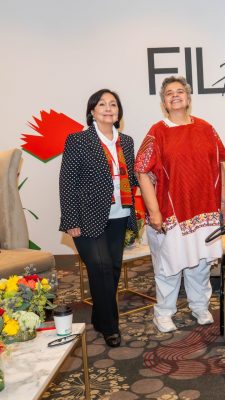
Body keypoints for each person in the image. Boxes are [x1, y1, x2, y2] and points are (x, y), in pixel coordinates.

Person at [135, 76, 225, 333]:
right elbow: (142, 171)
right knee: (169, 265)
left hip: (204, 209)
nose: (175, 95)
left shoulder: (206, 128)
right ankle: (164, 312)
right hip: (171, 211)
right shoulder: (157, 132)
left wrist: (223, 201)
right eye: (169, 93)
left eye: (180, 91)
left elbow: (219, 164)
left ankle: (200, 306)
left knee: (200, 262)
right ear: (164, 103)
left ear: (188, 98)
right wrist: (154, 211)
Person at [59, 89, 137, 347]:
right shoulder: (78, 140)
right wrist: (71, 220)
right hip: (87, 217)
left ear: (118, 112)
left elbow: (132, 178)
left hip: (119, 214)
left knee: (112, 269)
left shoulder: (126, 142)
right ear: (92, 111)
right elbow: (67, 182)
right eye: (102, 104)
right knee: (100, 267)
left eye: (113, 104)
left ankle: (99, 316)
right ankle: (110, 327)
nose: (108, 108)